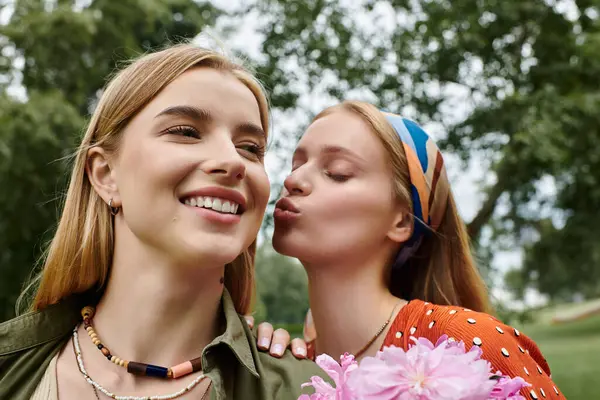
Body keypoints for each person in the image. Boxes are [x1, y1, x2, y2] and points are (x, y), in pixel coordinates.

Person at [0, 43, 326, 400]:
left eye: (250, 147)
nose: (233, 161)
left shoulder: (306, 390)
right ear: (106, 173)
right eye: (186, 131)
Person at [255, 100, 565, 399]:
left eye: (337, 172)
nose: (293, 179)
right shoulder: (285, 370)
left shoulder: (470, 343)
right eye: (297, 164)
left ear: (402, 222)